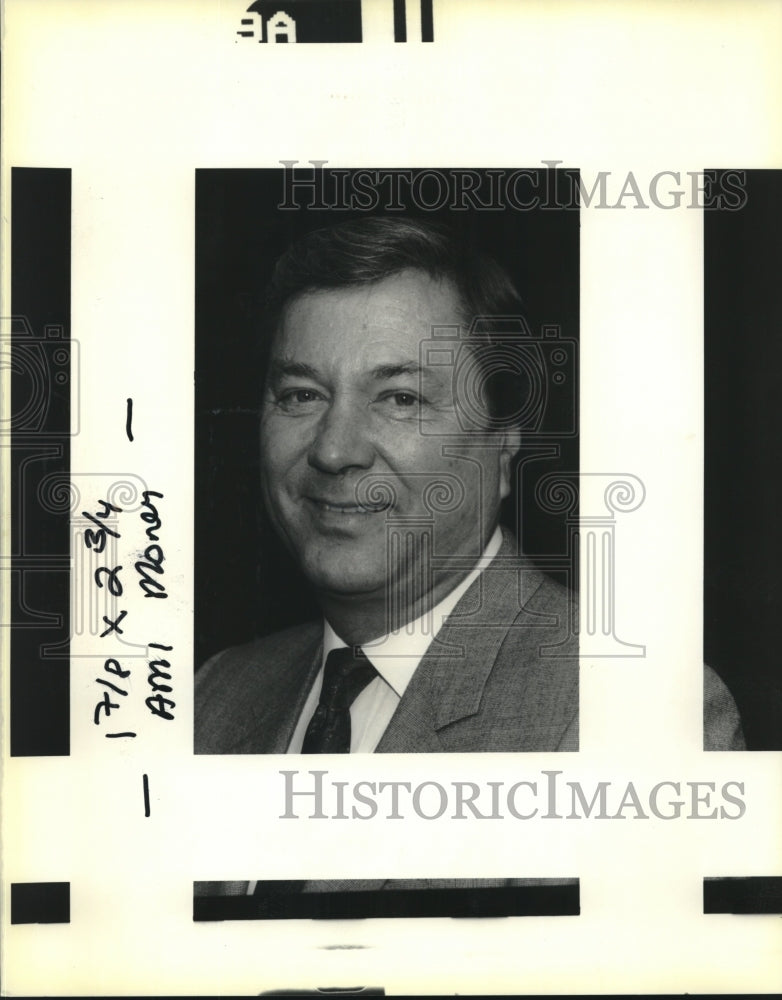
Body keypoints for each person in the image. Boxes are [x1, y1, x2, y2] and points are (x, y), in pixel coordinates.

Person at [195, 216, 743, 756]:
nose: (334, 451)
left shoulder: (641, 711)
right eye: (301, 394)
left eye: (400, 398)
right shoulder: (214, 696)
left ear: (504, 440)